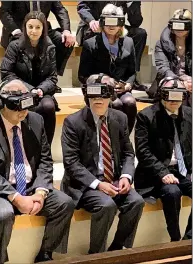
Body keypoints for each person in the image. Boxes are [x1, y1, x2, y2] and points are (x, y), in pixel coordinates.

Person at [0, 80, 75, 264]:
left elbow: (45, 160)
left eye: (26, 107)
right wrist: (17, 198)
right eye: (17, 108)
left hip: (31, 186)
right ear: (1, 104)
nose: (23, 112)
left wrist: (40, 192)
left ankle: (46, 253)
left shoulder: (36, 120)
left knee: (65, 203)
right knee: (4, 214)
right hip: (0, 192)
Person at [61, 74, 144, 254]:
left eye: (103, 94)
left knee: (136, 201)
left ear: (111, 96)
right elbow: (71, 163)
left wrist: (126, 176)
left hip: (113, 179)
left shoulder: (120, 118)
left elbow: (128, 153)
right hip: (85, 185)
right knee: (107, 205)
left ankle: (117, 248)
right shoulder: (72, 122)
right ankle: (97, 255)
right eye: (94, 94)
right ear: (86, 95)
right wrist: (98, 184)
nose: (98, 99)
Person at [134, 77, 192, 242]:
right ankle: (175, 239)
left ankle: (188, 239)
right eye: (169, 95)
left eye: (178, 95)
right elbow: (142, 151)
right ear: (161, 95)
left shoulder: (190, 114)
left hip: (183, 171)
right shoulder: (146, 116)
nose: (174, 100)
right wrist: (162, 172)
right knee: (172, 192)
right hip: (155, 174)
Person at [78, 4, 137, 133]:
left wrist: (127, 85)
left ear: (121, 23)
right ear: (102, 22)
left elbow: (132, 72)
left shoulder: (129, 42)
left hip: (120, 88)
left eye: (115, 22)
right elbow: (82, 75)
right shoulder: (90, 43)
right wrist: (101, 80)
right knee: (115, 104)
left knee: (130, 102)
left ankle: (124, 137)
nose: (111, 26)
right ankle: (110, 139)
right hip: (98, 90)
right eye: (108, 21)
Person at [1, 11, 58, 145]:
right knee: (29, 106)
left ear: (43, 29)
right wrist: (28, 89)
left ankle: (46, 149)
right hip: (19, 91)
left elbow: (52, 77)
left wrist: (40, 90)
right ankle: (28, 147)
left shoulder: (50, 47)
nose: (34, 31)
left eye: (38, 27)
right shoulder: (14, 46)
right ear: (24, 27)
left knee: (48, 106)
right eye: (30, 26)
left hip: (41, 91)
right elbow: (6, 73)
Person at [76, 1, 147, 91]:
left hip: (117, 25)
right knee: (93, 38)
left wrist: (131, 3)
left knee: (140, 34)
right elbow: (82, 6)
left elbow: (136, 22)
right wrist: (91, 21)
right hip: (93, 25)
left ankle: (130, 78)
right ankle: (97, 78)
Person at [0, 1, 76, 76]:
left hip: (42, 30)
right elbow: (4, 12)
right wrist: (16, 31)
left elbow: (60, 9)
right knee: (19, 44)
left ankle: (51, 77)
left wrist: (66, 30)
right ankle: (21, 79)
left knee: (63, 40)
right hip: (18, 30)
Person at [149, 9, 192, 107]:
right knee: (177, 94)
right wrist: (180, 82)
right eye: (176, 24)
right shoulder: (161, 43)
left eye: (183, 25)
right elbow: (163, 67)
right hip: (169, 80)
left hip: (190, 82)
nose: (179, 29)